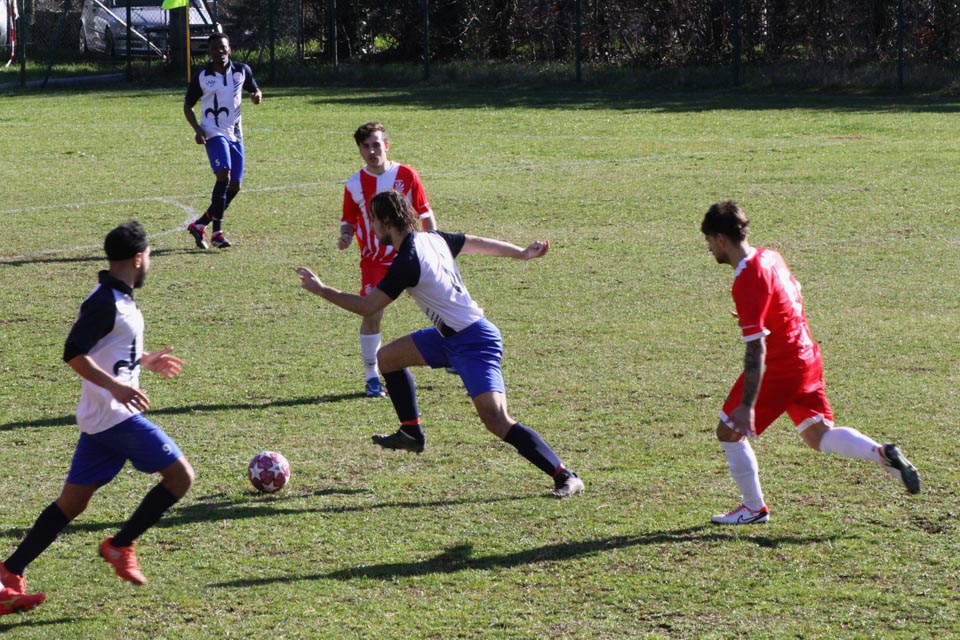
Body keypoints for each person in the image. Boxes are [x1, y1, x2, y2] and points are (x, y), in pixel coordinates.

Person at [297, 190, 584, 498]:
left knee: (497, 420)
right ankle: (411, 432)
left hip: (475, 341)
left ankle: (565, 476)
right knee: (387, 358)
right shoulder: (432, 238)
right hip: (447, 337)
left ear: (386, 221)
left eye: (373, 220)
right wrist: (522, 253)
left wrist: (322, 289)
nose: (371, 227)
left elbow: (368, 307)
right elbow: (478, 243)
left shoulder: (408, 261)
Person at [0, 221, 195, 612]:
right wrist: (117, 388)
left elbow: (107, 348)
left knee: (71, 504)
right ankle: (120, 545)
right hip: (114, 416)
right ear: (138, 258)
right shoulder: (105, 301)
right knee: (180, 477)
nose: (149, 263)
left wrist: (142, 361)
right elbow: (74, 353)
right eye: (149, 256)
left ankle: (9, 571)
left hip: (100, 419)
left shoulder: (120, 299)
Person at [701, 200, 920, 525]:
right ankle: (881, 453)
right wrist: (758, 315)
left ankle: (753, 508)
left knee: (728, 432)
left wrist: (747, 405)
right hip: (806, 356)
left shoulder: (746, 278)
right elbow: (791, 292)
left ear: (720, 239)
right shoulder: (771, 256)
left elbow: (756, 348)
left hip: (780, 366)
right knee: (819, 435)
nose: (709, 248)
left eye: (709, 241)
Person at [340, 121, 437, 398]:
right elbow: (348, 220)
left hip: (411, 255)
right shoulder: (354, 184)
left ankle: (455, 352)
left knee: (438, 304)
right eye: (366, 146)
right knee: (371, 313)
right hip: (374, 261)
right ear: (360, 150)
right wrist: (345, 235)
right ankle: (372, 376)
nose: (372, 151)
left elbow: (425, 213)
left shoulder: (407, 175)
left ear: (386, 145)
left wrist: (433, 244)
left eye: (376, 145)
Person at [183, 32, 262, 250]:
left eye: (223, 47)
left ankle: (201, 224)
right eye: (215, 48)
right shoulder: (202, 76)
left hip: (235, 133)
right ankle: (216, 232)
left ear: (230, 49)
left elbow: (255, 89)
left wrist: (257, 96)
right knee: (223, 174)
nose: (219, 51)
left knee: (235, 185)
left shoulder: (242, 71)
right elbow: (187, 106)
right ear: (209, 52)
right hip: (213, 131)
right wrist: (198, 129)